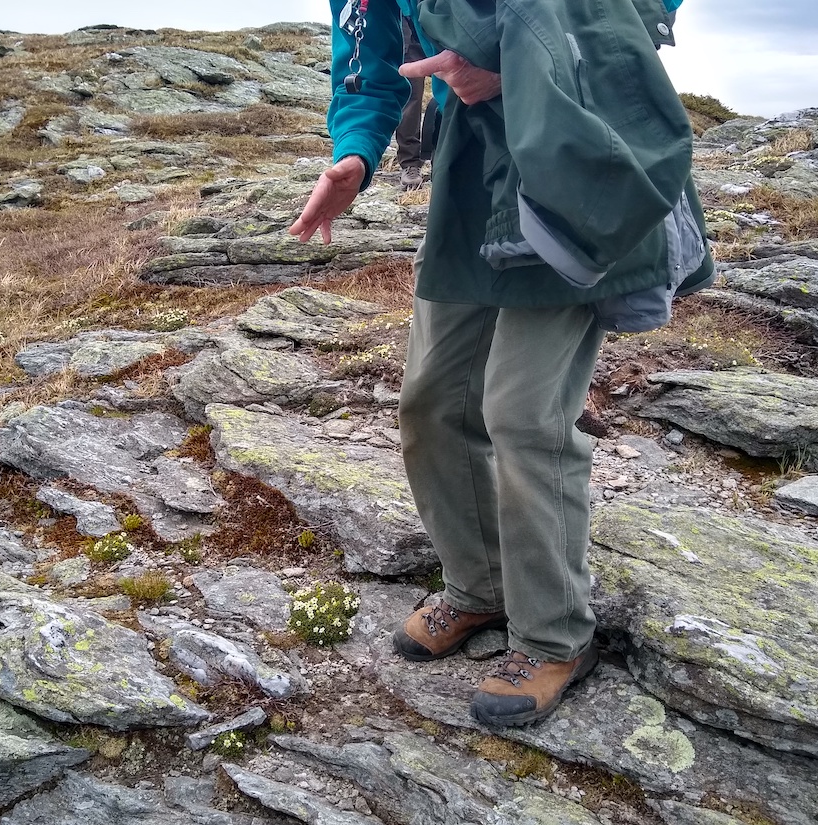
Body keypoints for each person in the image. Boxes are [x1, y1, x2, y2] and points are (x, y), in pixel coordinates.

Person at [290, 0, 713, 728]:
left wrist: (522, 56)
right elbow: (369, 55)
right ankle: (479, 585)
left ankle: (555, 635)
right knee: (431, 401)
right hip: (471, 170)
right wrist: (354, 155)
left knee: (523, 413)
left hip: (572, 152)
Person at [395, 16, 427, 189]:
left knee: (452, 94)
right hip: (407, 26)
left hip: (443, 22)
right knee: (411, 97)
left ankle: (444, 161)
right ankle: (410, 163)